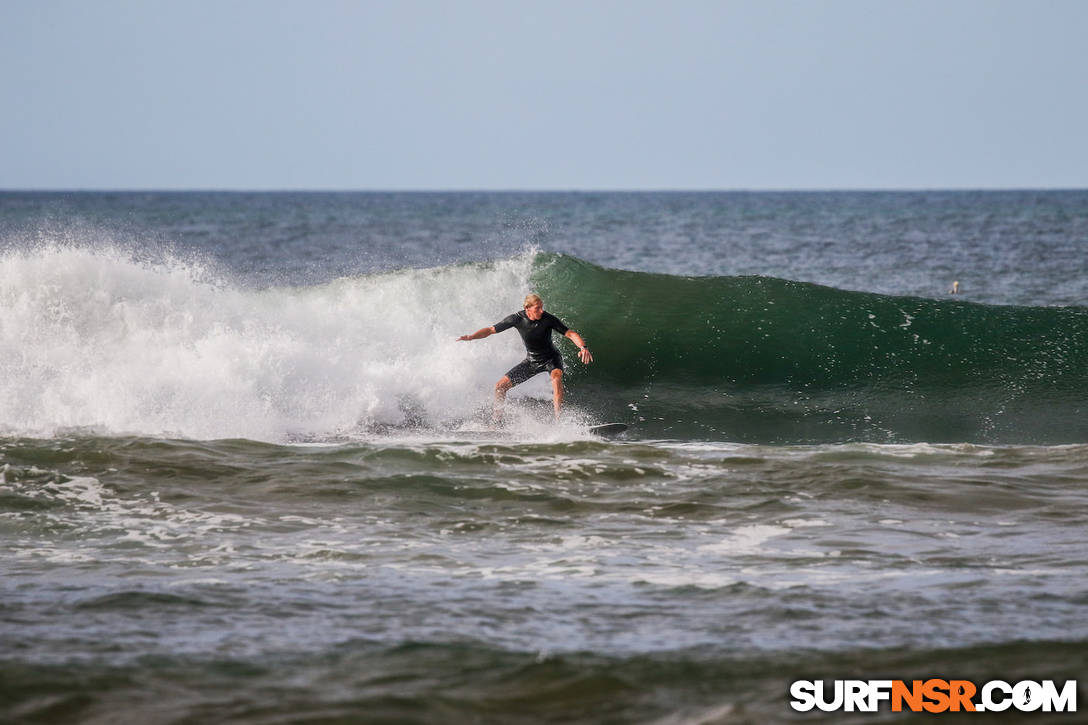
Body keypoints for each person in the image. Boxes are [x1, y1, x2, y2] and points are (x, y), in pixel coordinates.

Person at [457, 293, 593, 421]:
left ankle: (559, 421)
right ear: (527, 308)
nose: (541, 311)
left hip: (551, 358)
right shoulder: (516, 319)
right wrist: (471, 337)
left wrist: (583, 347)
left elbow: (570, 334)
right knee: (500, 387)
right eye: (537, 308)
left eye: (542, 307)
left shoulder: (548, 319)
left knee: (556, 377)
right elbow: (491, 330)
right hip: (532, 361)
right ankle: (497, 421)